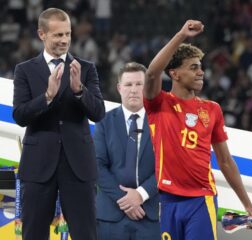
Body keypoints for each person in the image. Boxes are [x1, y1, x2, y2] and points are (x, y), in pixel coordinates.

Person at [143, 20, 252, 240]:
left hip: (200, 200)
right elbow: (150, 74)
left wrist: (248, 205)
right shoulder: (159, 103)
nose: (200, 72)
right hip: (167, 201)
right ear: (174, 74)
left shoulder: (212, 110)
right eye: (193, 67)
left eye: (201, 67)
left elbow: (225, 161)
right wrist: (181, 35)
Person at [12, 8, 105, 240]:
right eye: (58, 35)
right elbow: (20, 115)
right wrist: (46, 97)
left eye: (67, 34)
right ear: (42, 34)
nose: (64, 40)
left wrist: (79, 91)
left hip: (78, 166)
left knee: (86, 234)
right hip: (38, 165)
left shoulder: (86, 68)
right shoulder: (24, 70)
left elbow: (99, 113)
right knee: (33, 234)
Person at [94, 62, 160, 239]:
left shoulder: (161, 122)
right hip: (110, 216)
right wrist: (126, 200)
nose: (134, 90)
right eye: (128, 85)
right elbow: (97, 166)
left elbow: (167, 165)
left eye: (139, 84)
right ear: (119, 88)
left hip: (150, 216)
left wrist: (141, 194)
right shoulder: (103, 122)